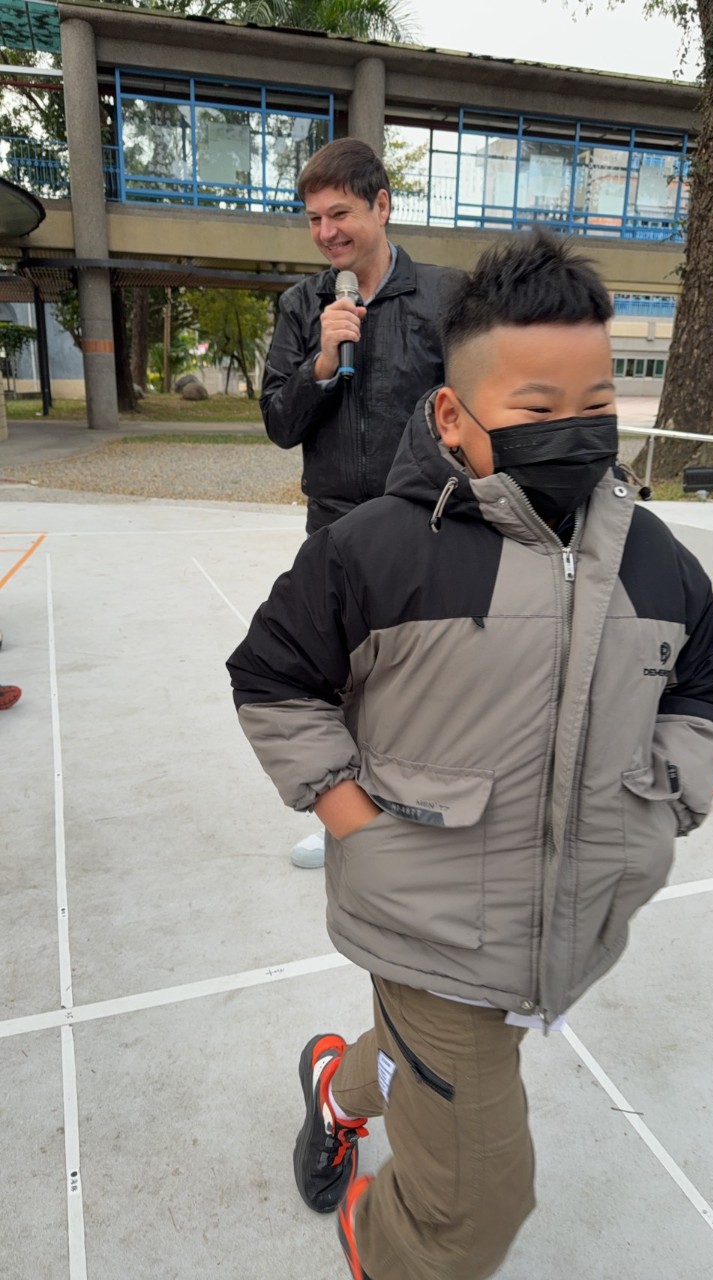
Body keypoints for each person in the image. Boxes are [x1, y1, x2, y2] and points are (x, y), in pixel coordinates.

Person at [227, 231, 713, 1280]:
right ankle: (382, 1245)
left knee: (437, 1061)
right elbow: (272, 675)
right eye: (538, 408)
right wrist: (357, 823)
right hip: (430, 934)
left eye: (596, 403)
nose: (575, 431)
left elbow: (702, 685)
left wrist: (664, 798)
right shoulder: (379, 549)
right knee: (475, 1208)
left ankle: (336, 1086)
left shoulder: (657, 560)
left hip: (562, 925)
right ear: (452, 413)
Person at [260, 138, 461, 867]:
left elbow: (477, 409)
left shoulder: (446, 297)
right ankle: (346, 819)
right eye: (314, 218)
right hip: (335, 531)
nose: (326, 233)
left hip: (429, 525)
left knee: (429, 682)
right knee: (336, 681)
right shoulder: (302, 305)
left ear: (381, 205)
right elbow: (279, 423)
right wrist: (321, 361)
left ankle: (430, 815)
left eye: (339, 213)